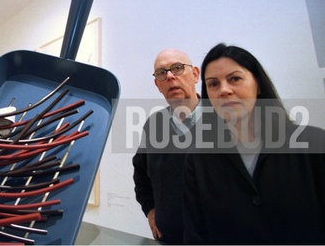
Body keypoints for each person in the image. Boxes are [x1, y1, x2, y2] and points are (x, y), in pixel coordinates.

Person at [183, 43, 325, 244]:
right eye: (213, 84)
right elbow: (196, 236)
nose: (224, 90)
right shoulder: (198, 159)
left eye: (235, 79)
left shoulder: (314, 143)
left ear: (257, 84)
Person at [132, 48, 201, 244]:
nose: (170, 76)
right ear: (157, 84)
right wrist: (150, 210)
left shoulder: (224, 120)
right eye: (162, 73)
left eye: (177, 68)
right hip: (168, 239)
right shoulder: (154, 125)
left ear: (195, 74)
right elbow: (141, 174)